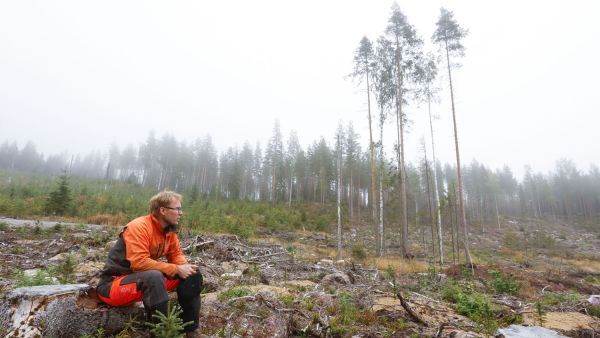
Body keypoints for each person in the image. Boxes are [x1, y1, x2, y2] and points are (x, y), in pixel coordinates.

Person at [96, 191, 202, 334]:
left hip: (142, 283)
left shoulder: (169, 232)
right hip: (112, 286)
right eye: (177, 209)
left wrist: (184, 268)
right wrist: (176, 269)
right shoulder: (139, 227)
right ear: (163, 210)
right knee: (153, 276)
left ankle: (190, 330)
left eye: (180, 209)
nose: (180, 213)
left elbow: (176, 256)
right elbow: (139, 263)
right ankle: (161, 333)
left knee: (192, 275)